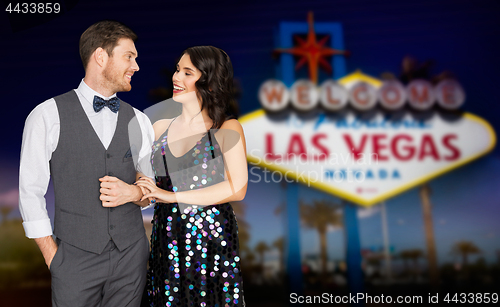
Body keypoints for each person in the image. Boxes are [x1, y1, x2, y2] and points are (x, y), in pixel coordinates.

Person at [18, 20, 153, 306]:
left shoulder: (140, 121)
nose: (136, 66)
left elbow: (150, 187)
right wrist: (53, 257)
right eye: (129, 57)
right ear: (101, 57)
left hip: (131, 256)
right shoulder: (46, 115)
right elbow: (30, 191)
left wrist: (135, 193)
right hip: (73, 261)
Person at [136, 46, 248, 307]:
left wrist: (170, 196)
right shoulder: (158, 129)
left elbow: (237, 188)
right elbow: (143, 183)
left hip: (212, 239)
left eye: (187, 72)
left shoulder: (227, 128)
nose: (176, 77)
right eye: (177, 70)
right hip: (166, 237)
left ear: (208, 80)